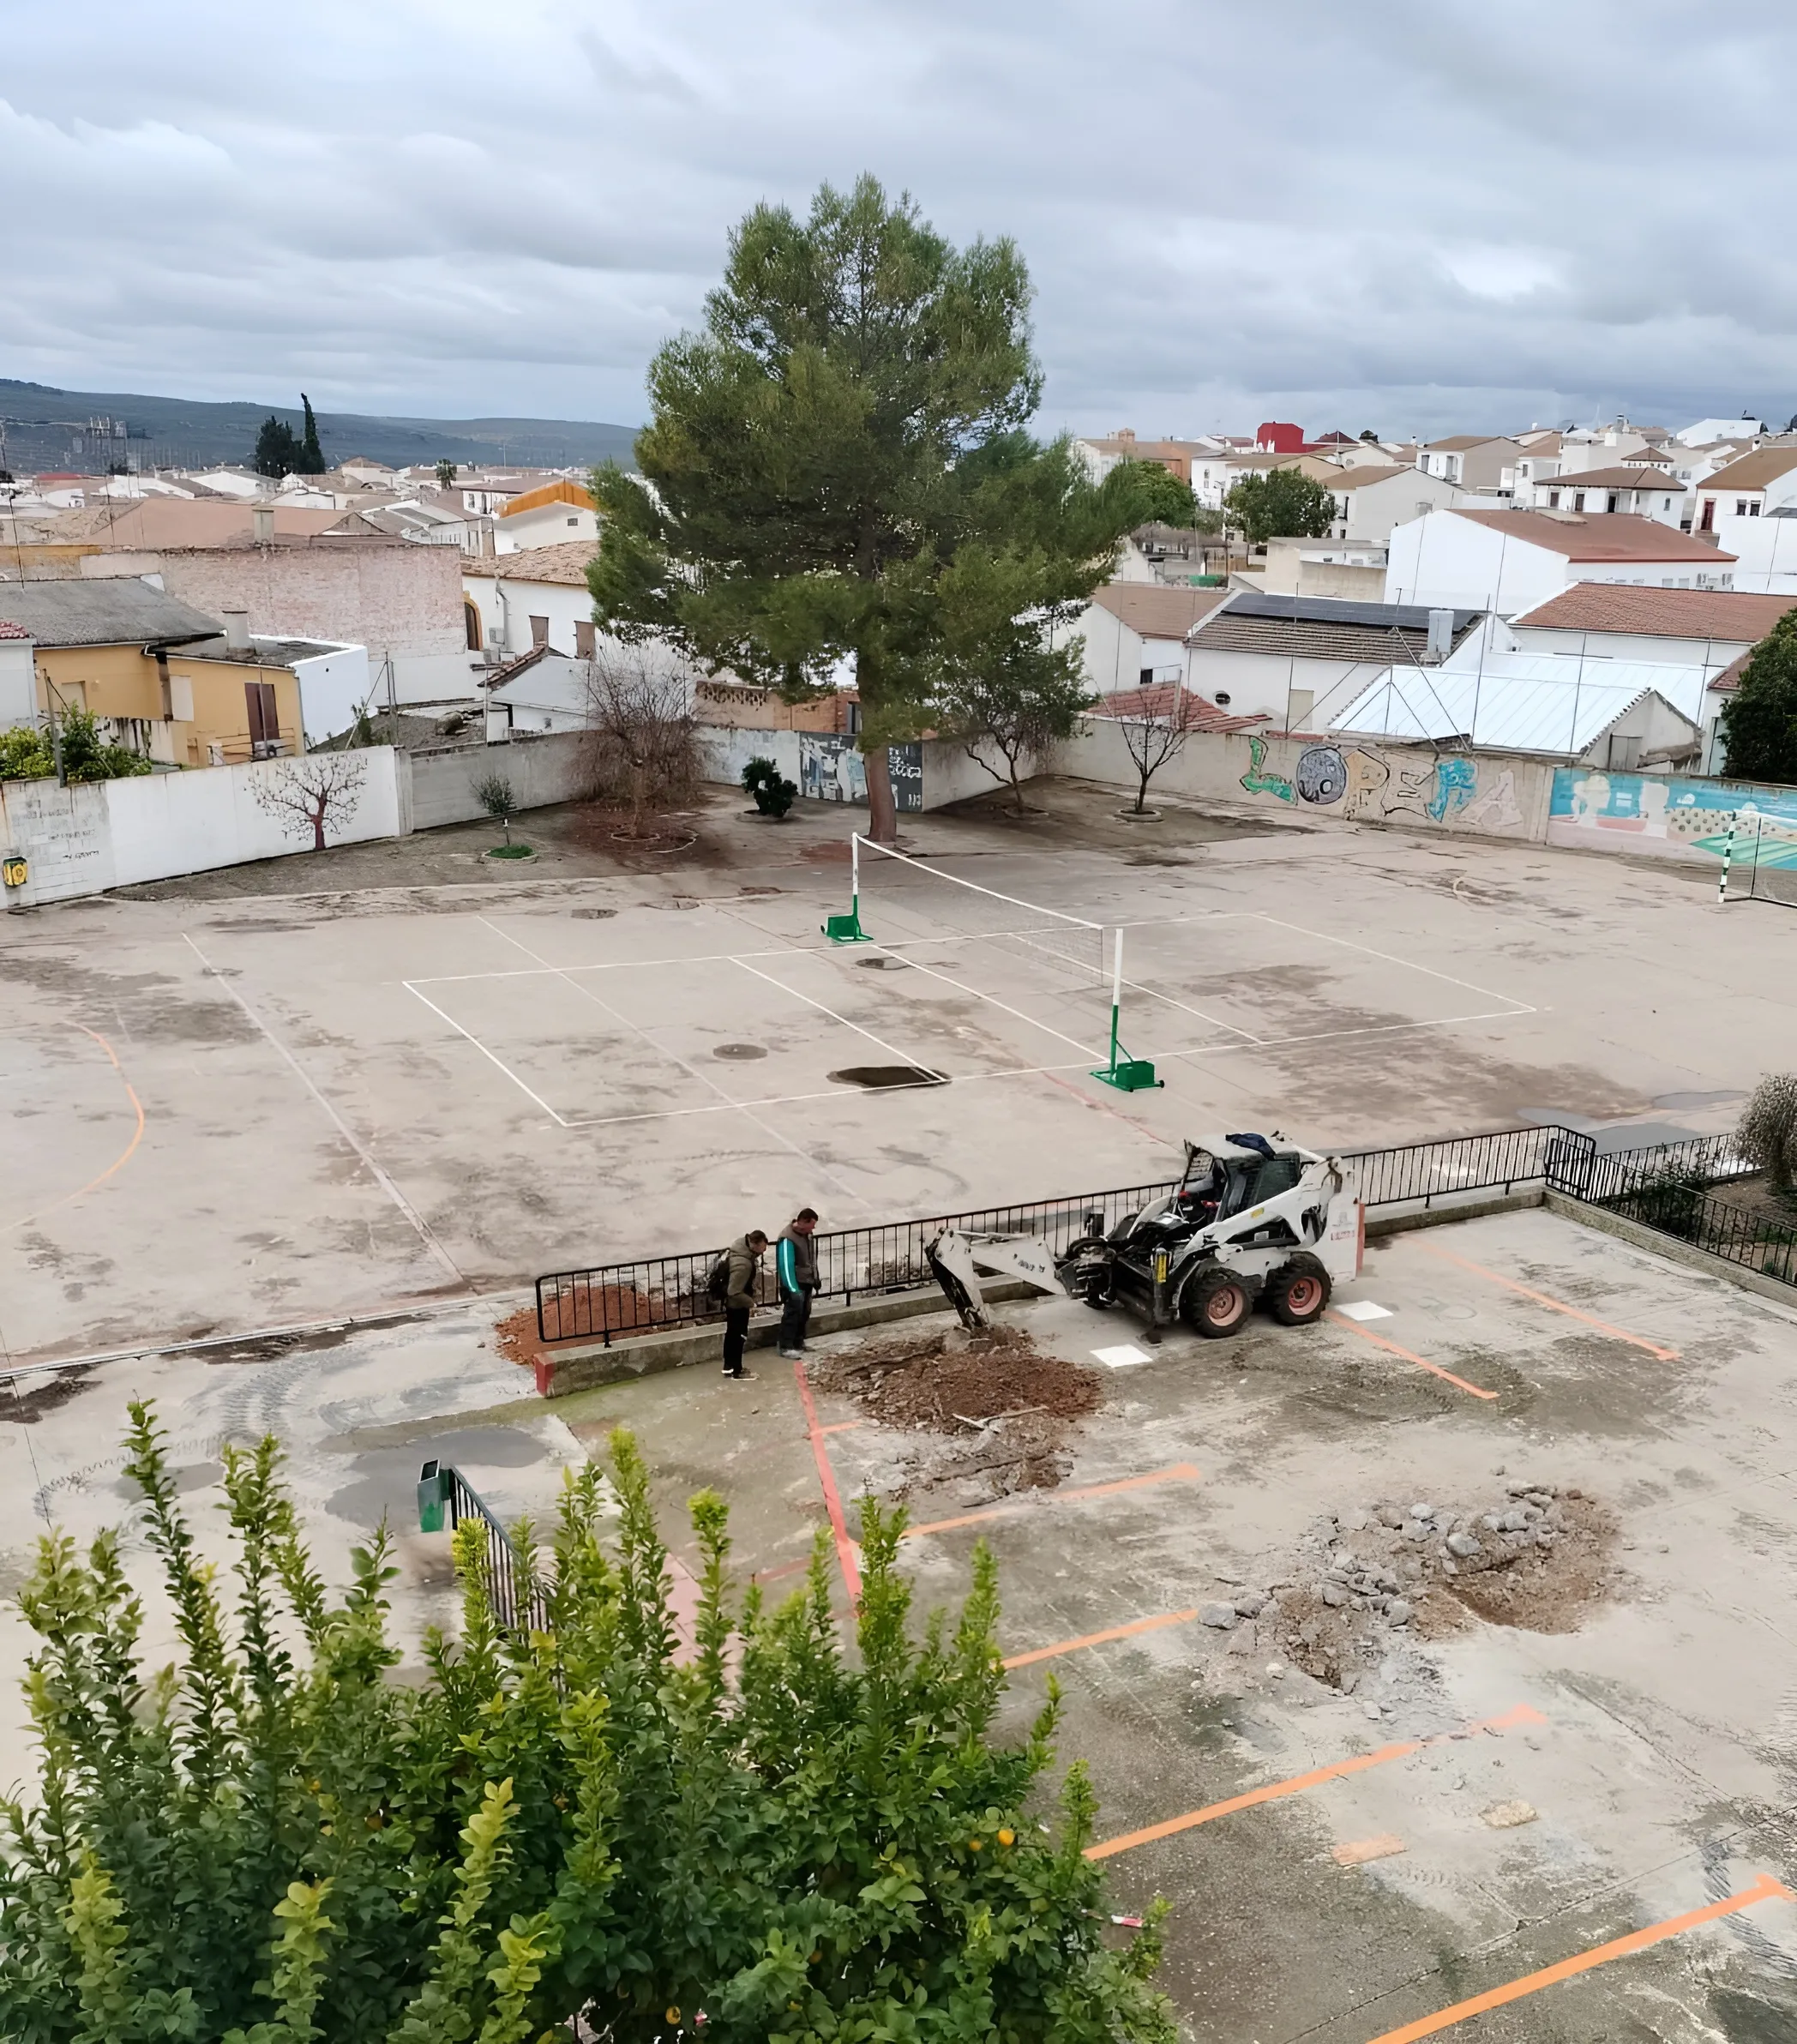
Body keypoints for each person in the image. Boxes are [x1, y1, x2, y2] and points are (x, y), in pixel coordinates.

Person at [721, 1229, 768, 1380]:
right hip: (737, 1305)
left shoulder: (739, 1251)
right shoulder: (743, 1264)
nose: (763, 1253)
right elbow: (733, 1291)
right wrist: (751, 1302)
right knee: (738, 1336)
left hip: (732, 1305)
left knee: (731, 1335)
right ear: (755, 1244)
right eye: (762, 1249)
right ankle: (736, 1370)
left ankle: (729, 1367)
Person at [775, 1207, 820, 1360]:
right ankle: (786, 1346)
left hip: (806, 1281)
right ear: (803, 1222)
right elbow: (786, 1266)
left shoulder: (807, 1235)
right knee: (792, 1314)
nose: (813, 1228)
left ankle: (798, 1342)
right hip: (795, 1284)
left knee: (804, 1313)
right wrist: (793, 1289)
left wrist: (815, 1278)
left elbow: (811, 1259)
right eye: (812, 1224)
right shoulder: (788, 1239)